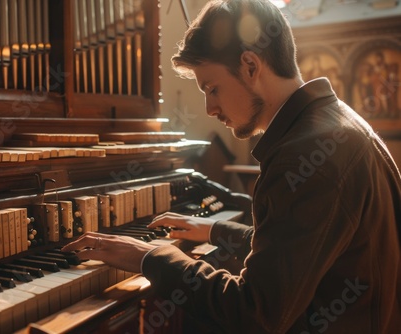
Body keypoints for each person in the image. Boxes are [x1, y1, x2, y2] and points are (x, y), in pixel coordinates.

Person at [62, 0, 401, 332]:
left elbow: (252, 312)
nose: (210, 108)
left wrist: (149, 258)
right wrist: (215, 230)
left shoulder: (304, 153)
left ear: (250, 66)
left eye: (212, 88)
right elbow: (300, 246)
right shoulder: (335, 123)